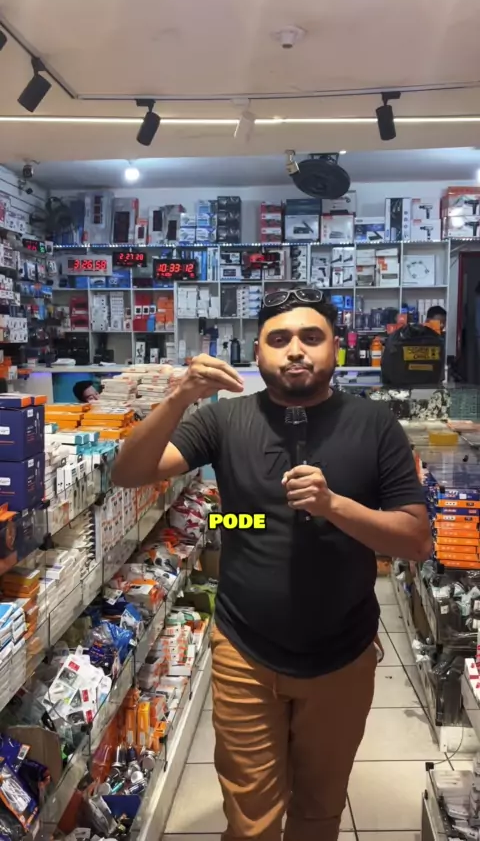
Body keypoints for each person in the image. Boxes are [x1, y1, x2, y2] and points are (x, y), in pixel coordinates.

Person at [112, 288, 431, 841]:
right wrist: (179, 397)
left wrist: (334, 506)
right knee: (251, 821)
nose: (295, 350)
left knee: (319, 811)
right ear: (257, 353)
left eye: (311, 337)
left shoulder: (374, 424)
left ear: (336, 348)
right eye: (278, 339)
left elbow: (417, 541)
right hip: (245, 651)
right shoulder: (224, 420)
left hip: (344, 653)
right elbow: (129, 472)